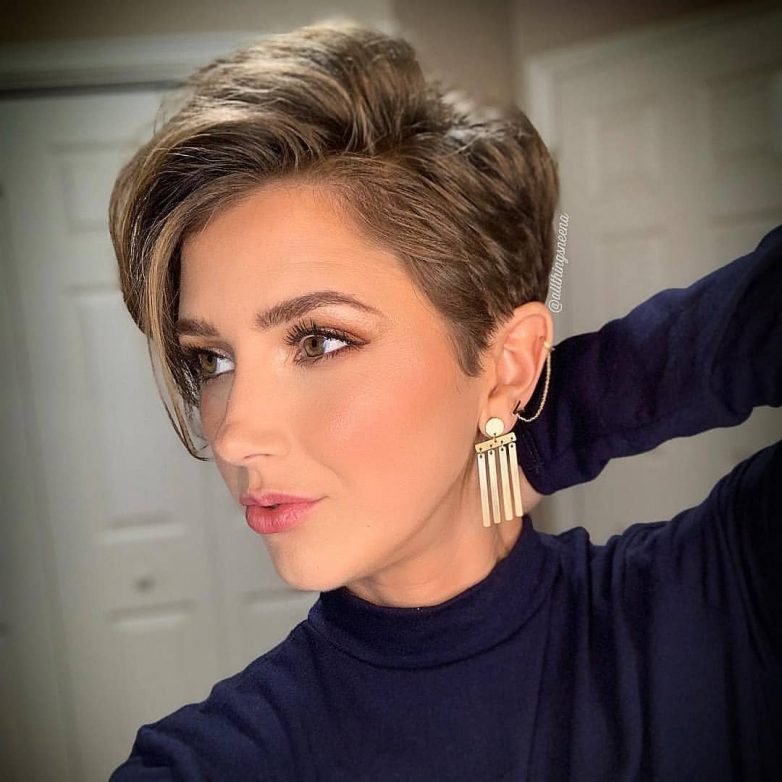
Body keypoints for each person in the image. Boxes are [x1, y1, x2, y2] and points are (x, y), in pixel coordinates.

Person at [107, 19, 781, 781]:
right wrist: (503, 423)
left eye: (319, 340)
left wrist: (545, 421)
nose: (233, 435)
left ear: (510, 361)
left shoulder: (726, 596)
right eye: (213, 359)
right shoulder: (211, 763)